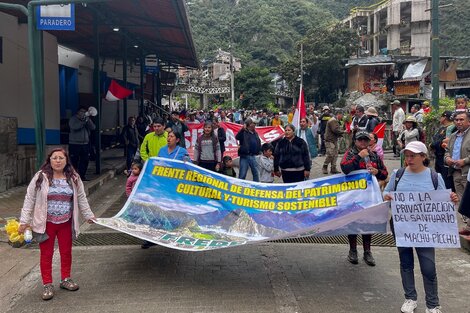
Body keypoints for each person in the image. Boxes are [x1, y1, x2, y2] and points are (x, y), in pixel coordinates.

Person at [383, 141, 459, 313]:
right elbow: (385, 194)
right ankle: (410, 298)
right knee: (406, 262)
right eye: (407, 156)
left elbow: (443, 201)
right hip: (401, 226)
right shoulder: (398, 174)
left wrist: (452, 199)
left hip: (425, 229)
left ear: (423, 157)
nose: (409, 159)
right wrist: (386, 197)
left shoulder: (434, 176)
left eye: (413, 156)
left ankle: (433, 304)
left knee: (428, 266)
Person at [18, 148, 95, 300]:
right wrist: (24, 221)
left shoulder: (73, 177)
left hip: (66, 222)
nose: (58, 161)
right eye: (55, 158)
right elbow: (29, 198)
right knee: (46, 254)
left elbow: (81, 197)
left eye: (61, 158)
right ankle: (47, 284)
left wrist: (88, 215)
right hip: (45, 224)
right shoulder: (41, 177)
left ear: (66, 161)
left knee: (66, 252)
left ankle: (65, 279)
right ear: (49, 160)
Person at [340, 130, 388, 266]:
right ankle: (353, 250)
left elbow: (384, 174)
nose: (362, 143)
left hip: (369, 196)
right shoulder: (350, 154)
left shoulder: (374, 156)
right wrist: (358, 157)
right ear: (355, 141)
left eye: (365, 140)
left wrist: (377, 171)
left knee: (368, 222)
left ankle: (367, 251)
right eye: (360, 140)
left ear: (370, 142)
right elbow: (345, 168)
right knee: (353, 222)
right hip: (353, 195)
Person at [141, 130, 190, 250]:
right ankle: (151, 238)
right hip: (161, 186)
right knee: (156, 210)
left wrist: (186, 162)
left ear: (177, 140)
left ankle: (174, 236)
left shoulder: (182, 151)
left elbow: (189, 166)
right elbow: (156, 164)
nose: (169, 138)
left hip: (174, 188)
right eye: (168, 136)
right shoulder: (162, 150)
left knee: (174, 212)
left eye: (172, 136)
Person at [444, 111, 470, 235]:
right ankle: (468, 225)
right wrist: (447, 158)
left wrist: (464, 161)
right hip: (455, 172)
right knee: (461, 200)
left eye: (461, 119)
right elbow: (447, 151)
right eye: (457, 120)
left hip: (467, 172)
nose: (458, 122)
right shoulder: (454, 135)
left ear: (468, 121)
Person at [68, 107, 96, 180]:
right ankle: (73, 176)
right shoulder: (73, 119)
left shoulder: (86, 120)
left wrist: (88, 120)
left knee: (85, 160)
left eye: (85, 111)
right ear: (78, 112)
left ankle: (82, 176)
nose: (84, 113)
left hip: (85, 144)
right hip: (75, 144)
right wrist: (83, 121)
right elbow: (75, 127)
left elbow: (93, 127)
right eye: (82, 111)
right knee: (74, 160)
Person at [430, 111, 455, 190]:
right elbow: (436, 139)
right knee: (438, 177)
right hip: (438, 155)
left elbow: (444, 141)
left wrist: (434, 144)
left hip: (445, 156)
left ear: (445, 117)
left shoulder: (452, 128)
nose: (440, 118)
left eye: (441, 116)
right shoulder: (441, 128)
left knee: (446, 179)